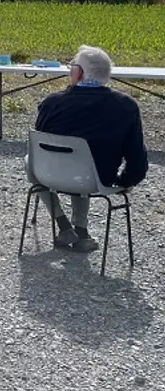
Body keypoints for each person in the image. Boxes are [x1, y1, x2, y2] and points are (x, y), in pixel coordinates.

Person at [31, 45, 148, 252]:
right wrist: (125, 181)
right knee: (86, 161)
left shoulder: (52, 103)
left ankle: (63, 225)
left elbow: (39, 143)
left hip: (49, 174)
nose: (70, 70)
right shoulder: (126, 106)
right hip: (97, 180)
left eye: (72, 66)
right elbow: (137, 157)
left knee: (32, 162)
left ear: (79, 72)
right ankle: (81, 231)